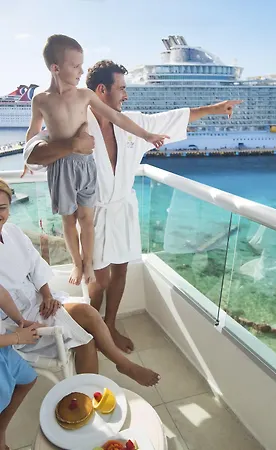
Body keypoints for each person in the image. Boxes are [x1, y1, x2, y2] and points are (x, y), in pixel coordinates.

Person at [24, 59, 242, 353]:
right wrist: (67, 147)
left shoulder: (131, 123)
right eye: (122, 88)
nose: (126, 95)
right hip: (93, 214)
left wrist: (214, 109)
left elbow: (172, 118)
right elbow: (33, 151)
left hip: (123, 209)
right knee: (98, 278)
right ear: (102, 90)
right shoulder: (73, 122)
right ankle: (93, 329)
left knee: (121, 270)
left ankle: (110, 325)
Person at [27, 35, 169, 286]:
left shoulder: (84, 95)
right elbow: (33, 133)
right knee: (68, 220)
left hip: (85, 164)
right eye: (75, 66)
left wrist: (147, 135)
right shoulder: (40, 100)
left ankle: (89, 264)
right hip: (60, 167)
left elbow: (118, 118)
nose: (81, 71)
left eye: (82, 65)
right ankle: (77, 263)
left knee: (87, 219)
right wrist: (27, 161)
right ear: (55, 68)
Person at [0, 179, 160, 386]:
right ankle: (120, 368)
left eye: (2, 208)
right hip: (16, 324)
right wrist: (19, 331)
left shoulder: (12, 232)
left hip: (40, 303)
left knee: (88, 317)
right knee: (87, 337)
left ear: (9, 208)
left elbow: (36, 265)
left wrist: (47, 296)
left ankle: (94, 388)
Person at [0, 284, 39, 450]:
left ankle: (1, 430)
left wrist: (20, 321)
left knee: (28, 379)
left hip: (4, 350)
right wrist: (17, 337)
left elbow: (2, 294)